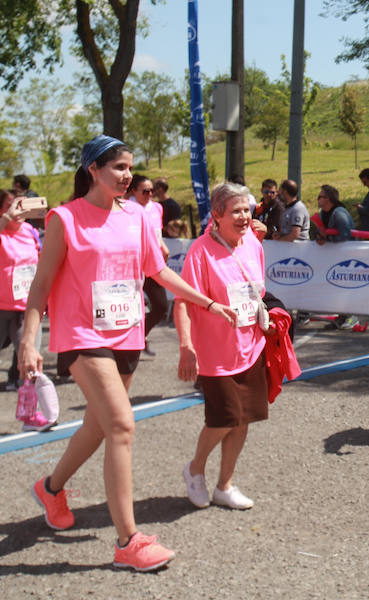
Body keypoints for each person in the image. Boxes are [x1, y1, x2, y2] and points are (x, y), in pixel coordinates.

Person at [19, 135, 236, 571]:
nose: (126, 175)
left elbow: (156, 270)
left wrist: (208, 302)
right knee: (121, 425)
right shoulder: (65, 218)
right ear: (93, 170)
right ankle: (129, 542)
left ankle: (51, 487)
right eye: (118, 167)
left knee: (99, 427)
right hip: (82, 335)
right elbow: (41, 284)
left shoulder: (138, 217)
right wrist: (29, 339)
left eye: (129, 168)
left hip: (127, 334)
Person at [176, 182, 271, 512]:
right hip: (215, 354)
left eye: (247, 209)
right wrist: (186, 346)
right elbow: (184, 302)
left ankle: (225, 485)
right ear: (217, 215)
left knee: (243, 419)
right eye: (237, 211)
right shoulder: (200, 251)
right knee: (223, 418)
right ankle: (195, 469)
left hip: (252, 346)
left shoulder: (252, 245)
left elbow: (258, 290)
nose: (245, 216)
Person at [0, 190, 45, 426]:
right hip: (1, 307)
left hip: (27, 307)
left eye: (20, 205)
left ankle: (30, 412)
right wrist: (6, 218)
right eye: (10, 206)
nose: (17, 210)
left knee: (30, 360)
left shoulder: (29, 232)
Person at [127, 175, 169, 358]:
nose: (150, 194)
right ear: (133, 192)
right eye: (145, 191)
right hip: (132, 265)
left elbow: (157, 234)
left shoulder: (157, 208)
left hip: (152, 264)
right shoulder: (126, 208)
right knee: (130, 307)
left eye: (152, 190)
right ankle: (127, 344)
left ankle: (140, 336)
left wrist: (163, 247)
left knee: (160, 306)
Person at [315, 184, 358, 330]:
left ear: (329, 199)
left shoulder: (339, 213)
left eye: (321, 196)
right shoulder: (323, 213)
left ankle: (352, 316)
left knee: (347, 287)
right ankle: (342, 315)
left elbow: (345, 236)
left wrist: (328, 239)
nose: (318, 199)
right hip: (336, 258)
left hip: (348, 257)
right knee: (337, 287)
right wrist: (320, 238)